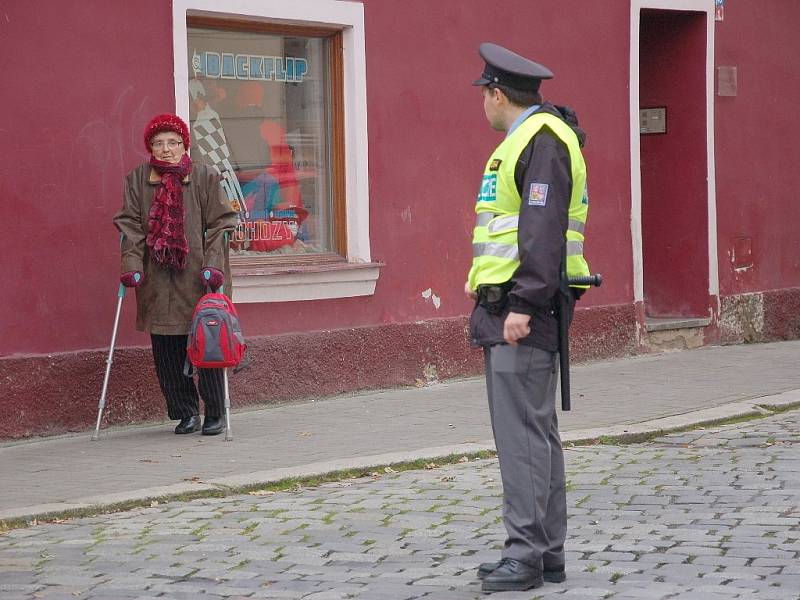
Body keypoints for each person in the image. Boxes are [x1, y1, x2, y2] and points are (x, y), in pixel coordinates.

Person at [464, 43, 591, 593]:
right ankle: (545, 552)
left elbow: (540, 230)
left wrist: (522, 305)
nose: (483, 106)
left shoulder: (540, 141)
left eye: (483, 96)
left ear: (496, 94)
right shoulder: (533, 139)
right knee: (535, 433)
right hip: (518, 307)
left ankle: (527, 555)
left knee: (522, 437)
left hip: (523, 311)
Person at [113, 114, 239, 436]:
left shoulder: (204, 176)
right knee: (167, 351)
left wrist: (214, 264)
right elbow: (129, 225)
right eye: (158, 143)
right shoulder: (138, 179)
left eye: (172, 142)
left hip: (199, 276)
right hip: (157, 278)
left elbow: (222, 223)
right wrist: (132, 267)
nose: (166, 149)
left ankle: (214, 411)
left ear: (184, 143)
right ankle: (185, 412)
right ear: (150, 147)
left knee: (207, 344)